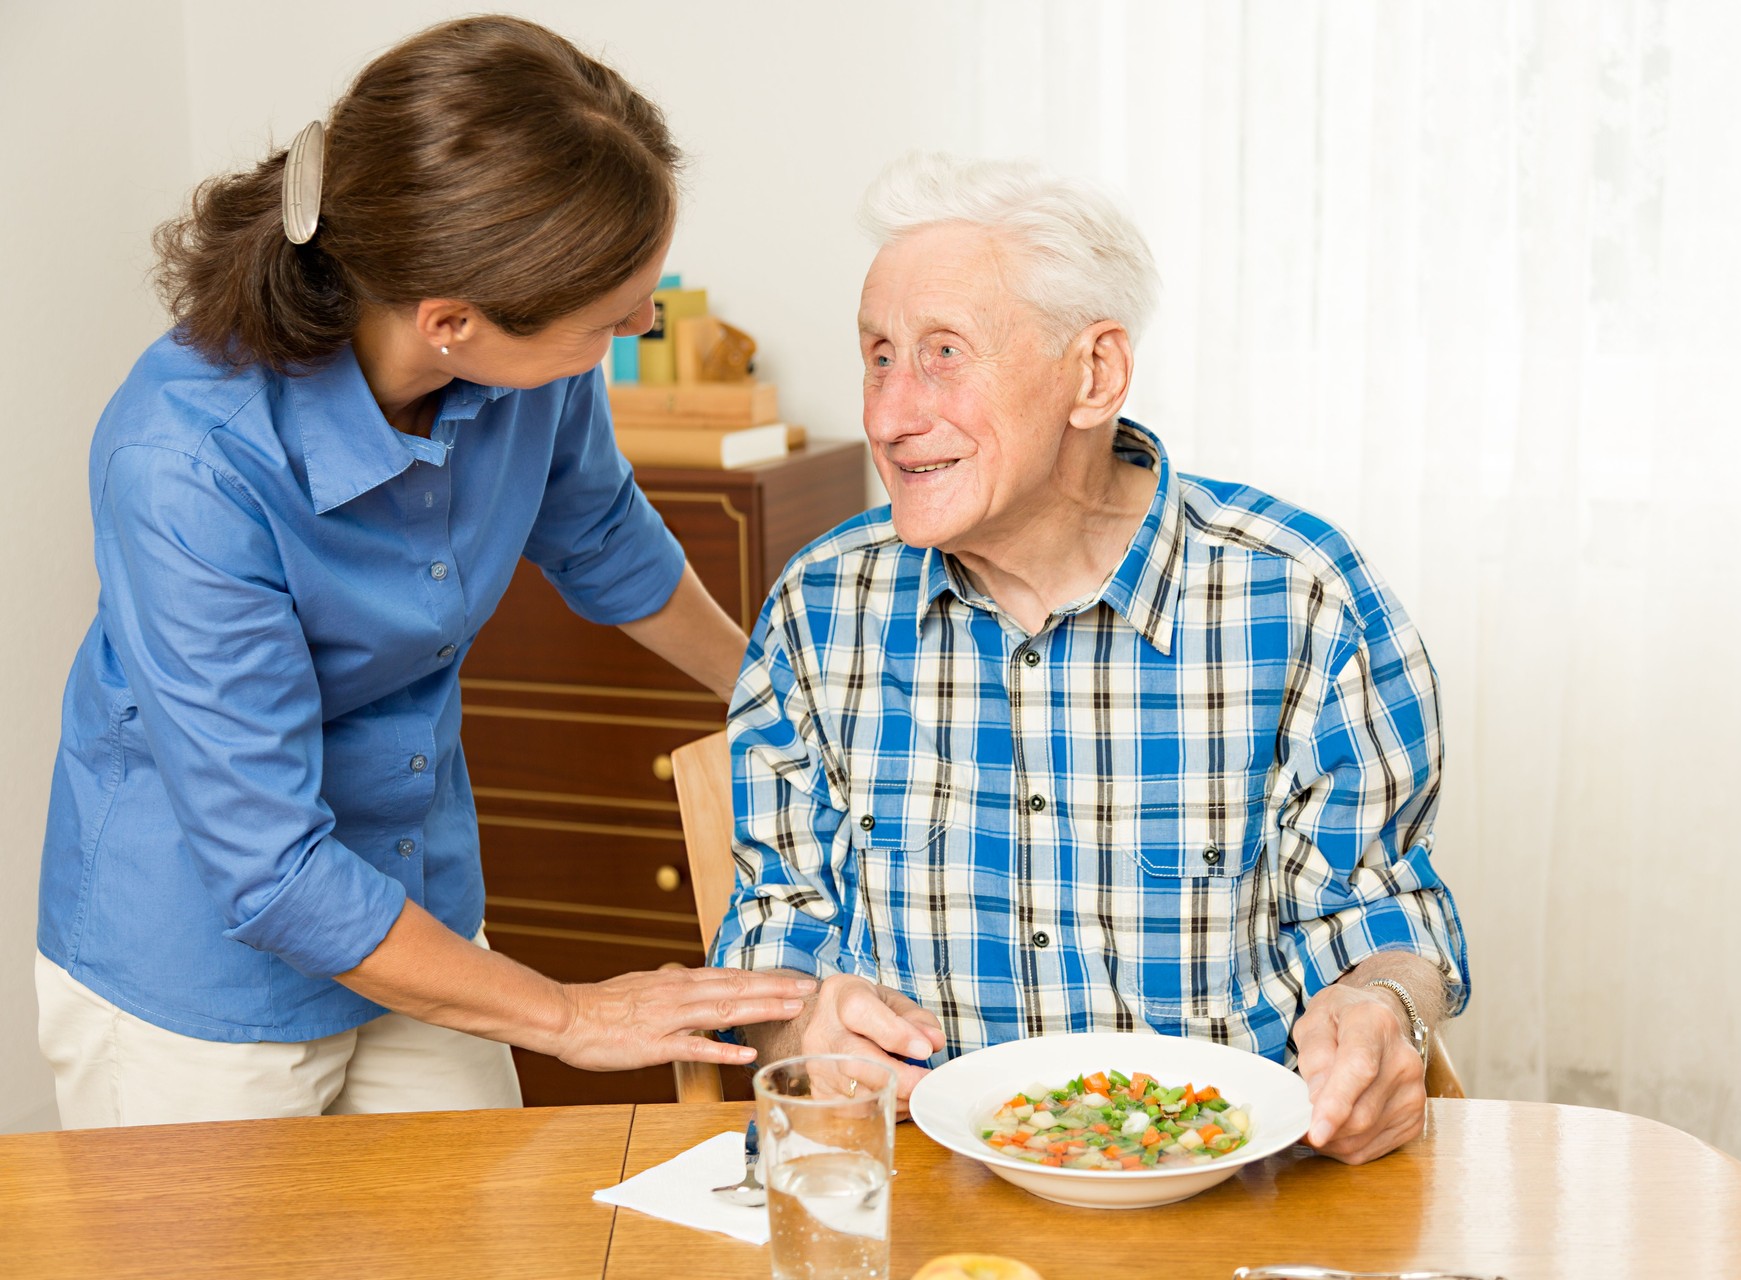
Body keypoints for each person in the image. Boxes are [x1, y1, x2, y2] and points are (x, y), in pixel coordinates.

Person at [35, 15, 812, 1129]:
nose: (643, 323)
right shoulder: (186, 461)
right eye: (611, 317)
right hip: (199, 972)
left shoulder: (531, 360)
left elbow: (599, 535)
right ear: (452, 321)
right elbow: (272, 869)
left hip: (417, 903)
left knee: (484, 1232)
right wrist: (572, 1015)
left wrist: (787, 701)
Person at [710, 154, 1470, 1165]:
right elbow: (773, 938)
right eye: (879, 356)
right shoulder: (819, 608)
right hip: (924, 1192)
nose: (890, 415)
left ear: (1094, 373)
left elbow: (1382, 915)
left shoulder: (1301, 599)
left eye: (944, 354)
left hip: (1227, 1191)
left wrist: (1385, 1009)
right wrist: (799, 1028)